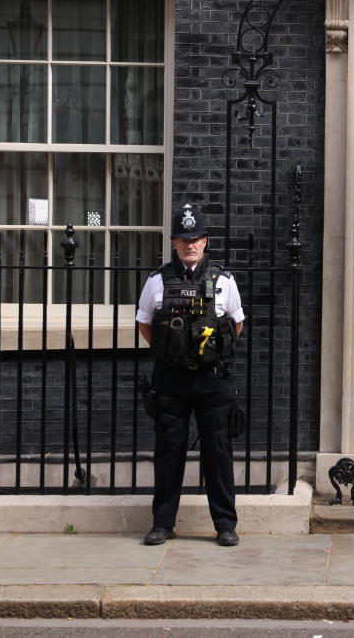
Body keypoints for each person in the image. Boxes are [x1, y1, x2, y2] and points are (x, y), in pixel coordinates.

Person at [136, 203, 245, 547]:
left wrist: (207, 353)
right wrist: (175, 351)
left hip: (212, 380)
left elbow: (237, 323)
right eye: (183, 239)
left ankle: (225, 525)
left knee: (218, 452)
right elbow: (144, 323)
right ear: (174, 243)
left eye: (195, 238)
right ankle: (162, 523)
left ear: (205, 241)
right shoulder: (156, 281)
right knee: (169, 453)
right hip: (171, 379)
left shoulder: (224, 280)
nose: (190, 245)